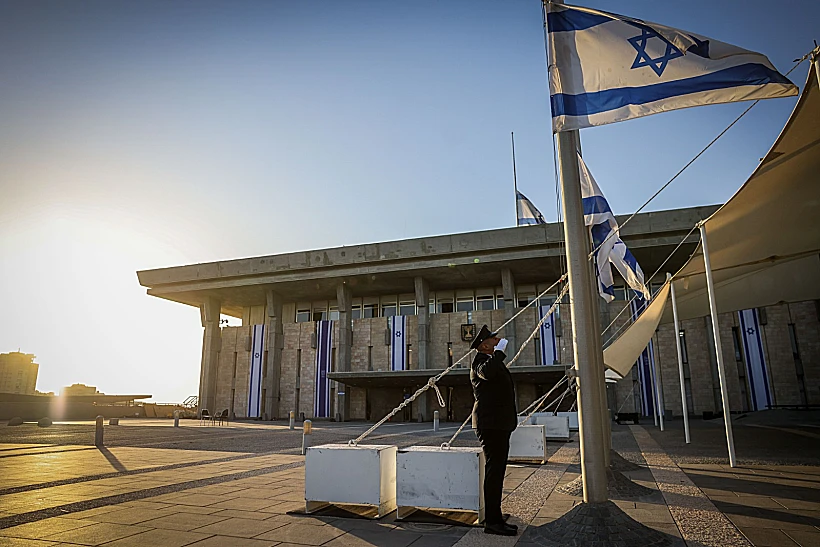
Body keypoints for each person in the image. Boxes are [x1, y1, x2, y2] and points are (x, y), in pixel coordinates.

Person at [470, 324, 518, 536]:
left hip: (499, 424)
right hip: (491, 425)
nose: (498, 340)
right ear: (484, 346)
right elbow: (487, 373)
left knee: (497, 472)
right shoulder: (480, 362)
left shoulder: (491, 361)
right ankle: (492, 522)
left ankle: (495, 516)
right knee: (494, 472)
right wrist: (498, 354)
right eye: (493, 339)